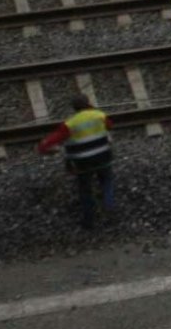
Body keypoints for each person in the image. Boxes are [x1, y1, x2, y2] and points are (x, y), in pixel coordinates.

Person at [37, 95, 114, 229]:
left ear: (73, 108)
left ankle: (88, 221)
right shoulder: (100, 115)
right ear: (88, 104)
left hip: (82, 162)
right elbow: (109, 126)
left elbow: (50, 141)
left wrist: (42, 148)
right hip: (103, 157)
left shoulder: (69, 124)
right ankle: (109, 207)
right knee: (106, 181)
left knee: (85, 189)